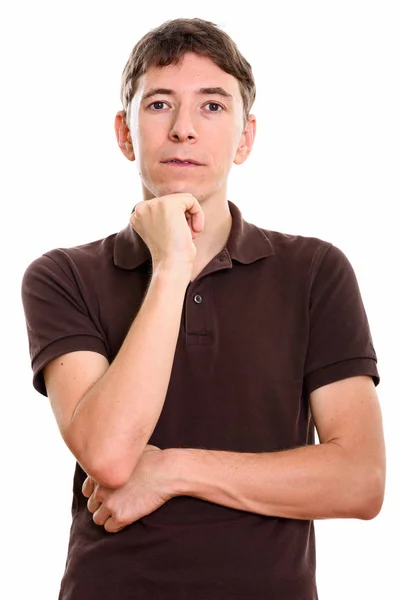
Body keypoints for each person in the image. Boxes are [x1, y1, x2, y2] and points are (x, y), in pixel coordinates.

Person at [21, 16, 386, 600]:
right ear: (125, 132)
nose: (184, 129)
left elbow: (361, 480)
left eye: (213, 107)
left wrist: (173, 470)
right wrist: (170, 265)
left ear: (246, 138)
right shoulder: (63, 276)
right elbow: (111, 456)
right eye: (160, 104)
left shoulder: (315, 271)